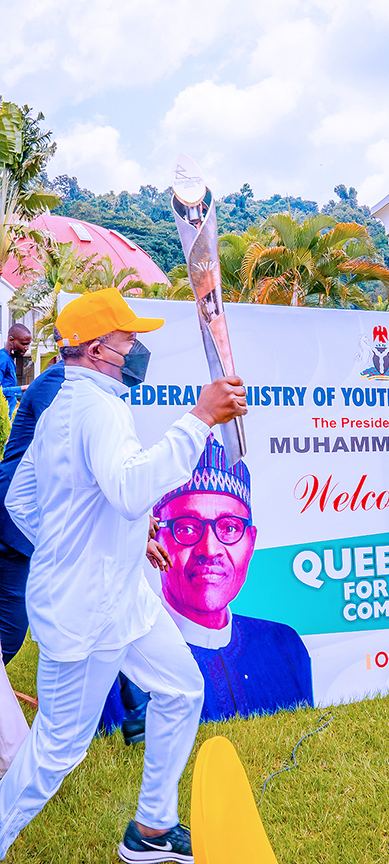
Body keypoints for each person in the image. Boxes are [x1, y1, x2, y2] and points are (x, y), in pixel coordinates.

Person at [0, 288, 247, 864]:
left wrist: (113, 545)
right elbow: (132, 489)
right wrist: (201, 417)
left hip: (116, 597)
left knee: (182, 691)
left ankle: (152, 829)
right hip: (85, 611)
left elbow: (26, 501)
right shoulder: (94, 406)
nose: (137, 349)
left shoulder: (75, 402)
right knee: (56, 750)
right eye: (128, 339)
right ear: (94, 348)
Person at [102, 435, 313, 729]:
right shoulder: (124, 660)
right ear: (154, 535)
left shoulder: (283, 646)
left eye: (229, 527)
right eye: (187, 528)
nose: (210, 550)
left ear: (250, 544)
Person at [0, 361, 65, 664]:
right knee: (9, 631)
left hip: (30, 518)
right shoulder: (59, 381)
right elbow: (72, 451)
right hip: (16, 520)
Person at [0, 324, 32, 416]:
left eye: (28, 344)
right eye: (23, 344)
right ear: (11, 340)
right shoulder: (3, 359)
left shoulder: (9, 359)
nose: (27, 348)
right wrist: (23, 388)